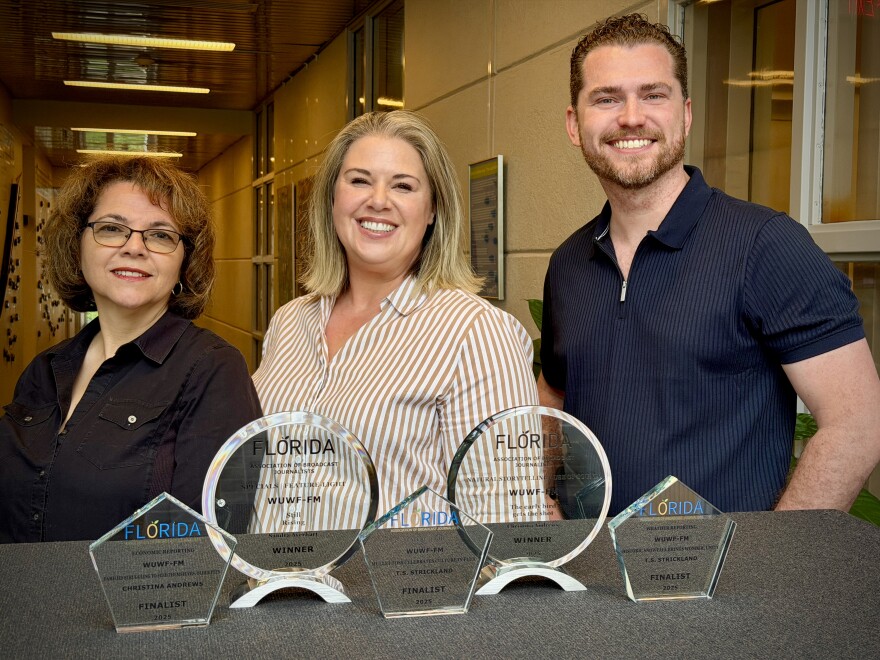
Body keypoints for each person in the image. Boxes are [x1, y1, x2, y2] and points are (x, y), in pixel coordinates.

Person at [539, 14, 880, 516]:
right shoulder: (568, 262)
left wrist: (765, 563)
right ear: (574, 123)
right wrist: (546, 496)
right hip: (585, 580)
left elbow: (857, 422)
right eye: (607, 98)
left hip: (725, 586)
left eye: (654, 95)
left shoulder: (766, 245)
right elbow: (555, 391)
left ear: (686, 113)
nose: (631, 117)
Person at [252, 110, 538, 523]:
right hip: (271, 583)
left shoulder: (477, 332)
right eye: (359, 180)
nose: (378, 200)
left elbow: (504, 519)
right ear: (332, 198)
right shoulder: (290, 321)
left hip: (392, 587)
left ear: (433, 210)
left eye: (403, 186)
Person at [0, 156, 262, 542]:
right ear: (77, 245)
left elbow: (210, 550)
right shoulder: (45, 369)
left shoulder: (214, 371)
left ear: (184, 262)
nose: (134, 247)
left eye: (160, 235)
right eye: (111, 228)